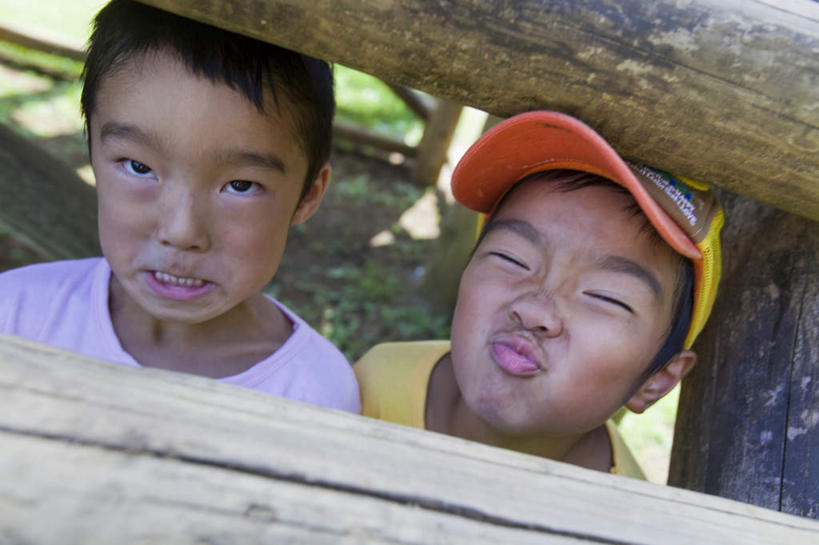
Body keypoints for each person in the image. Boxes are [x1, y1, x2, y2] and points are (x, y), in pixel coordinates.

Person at [0, 0, 359, 413]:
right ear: (93, 154)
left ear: (308, 195)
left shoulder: (314, 393)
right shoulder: (14, 317)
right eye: (138, 167)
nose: (182, 231)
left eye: (241, 185)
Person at [355, 111, 724, 477]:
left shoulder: (623, 509)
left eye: (605, 296)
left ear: (657, 378)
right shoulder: (370, 389)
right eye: (511, 258)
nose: (534, 311)